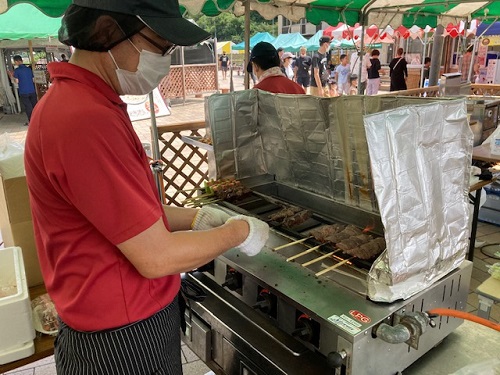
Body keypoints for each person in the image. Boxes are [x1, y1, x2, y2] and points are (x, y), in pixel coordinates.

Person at [24, 1, 270, 374]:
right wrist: (239, 230)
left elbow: (129, 217)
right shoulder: (83, 119)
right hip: (119, 339)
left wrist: (197, 216)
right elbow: (157, 257)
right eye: (159, 46)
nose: (165, 60)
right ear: (108, 31)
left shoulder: (87, 103)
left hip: (118, 324)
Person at [11, 55, 37, 126]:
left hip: (23, 91)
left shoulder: (17, 71)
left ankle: (31, 122)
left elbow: (16, 81)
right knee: (34, 106)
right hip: (32, 90)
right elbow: (33, 79)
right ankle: (37, 119)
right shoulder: (29, 69)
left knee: (28, 107)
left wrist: (11, 77)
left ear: (16, 61)